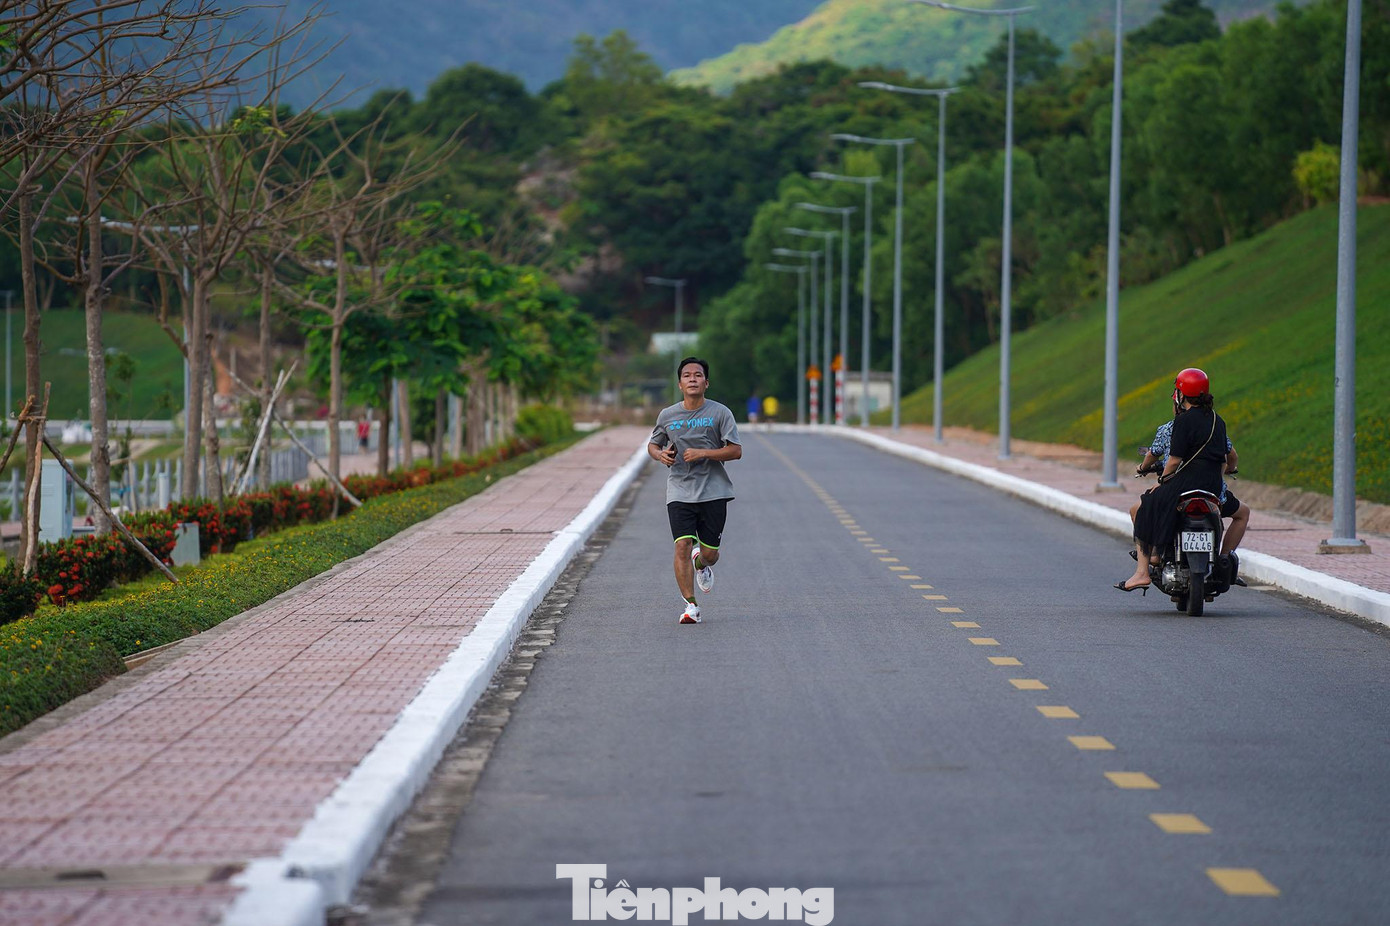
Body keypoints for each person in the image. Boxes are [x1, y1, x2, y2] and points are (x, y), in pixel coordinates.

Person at [648, 357, 743, 624]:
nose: (692, 378)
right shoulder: (667, 415)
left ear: (706, 383)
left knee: (710, 553)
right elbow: (653, 445)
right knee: (681, 546)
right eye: (687, 375)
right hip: (679, 489)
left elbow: (735, 450)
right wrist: (660, 455)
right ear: (679, 384)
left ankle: (700, 564)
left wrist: (704, 453)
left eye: (698, 375)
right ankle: (691, 606)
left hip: (714, 490)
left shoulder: (720, 413)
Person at [1117, 368, 1229, 593]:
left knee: (1144, 505)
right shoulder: (1218, 420)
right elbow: (1225, 460)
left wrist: (1163, 480)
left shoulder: (1183, 421)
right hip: (1212, 485)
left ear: (1181, 394)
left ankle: (1142, 572)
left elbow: (1174, 460)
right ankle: (1219, 557)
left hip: (1186, 482)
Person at [1130, 393, 1249, 557]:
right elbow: (1231, 455)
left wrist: (1156, 476)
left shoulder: (1171, 427)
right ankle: (1224, 556)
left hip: (1179, 488)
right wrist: (1229, 468)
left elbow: (1167, 459)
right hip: (1212, 490)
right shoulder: (1215, 424)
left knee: (1141, 508)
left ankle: (1153, 555)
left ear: (1179, 403)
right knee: (1243, 512)